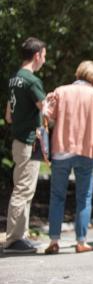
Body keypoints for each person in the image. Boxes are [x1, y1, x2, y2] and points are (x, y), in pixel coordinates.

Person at [43, 60, 93, 254]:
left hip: (61, 150)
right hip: (86, 150)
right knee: (84, 197)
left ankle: (53, 241)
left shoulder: (60, 91)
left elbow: (46, 115)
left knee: (57, 196)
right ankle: (81, 241)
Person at [3, 37, 47, 253]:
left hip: (17, 140)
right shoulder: (31, 80)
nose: (44, 61)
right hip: (28, 141)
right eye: (44, 56)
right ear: (37, 55)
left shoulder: (13, 79)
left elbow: (8, 116)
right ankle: (13, 239)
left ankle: (22, 236)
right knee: (23, 190)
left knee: (24, 189)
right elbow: (45, 109)